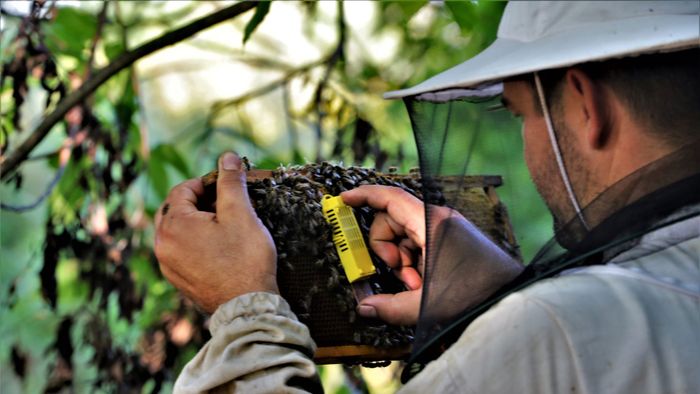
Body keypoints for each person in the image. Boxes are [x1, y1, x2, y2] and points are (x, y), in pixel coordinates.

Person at [154, 2, 699, 393]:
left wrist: (243, 314)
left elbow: (579, 340)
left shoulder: (560, 331)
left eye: (520, 114)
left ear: (585, 104)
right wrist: (493, 300)